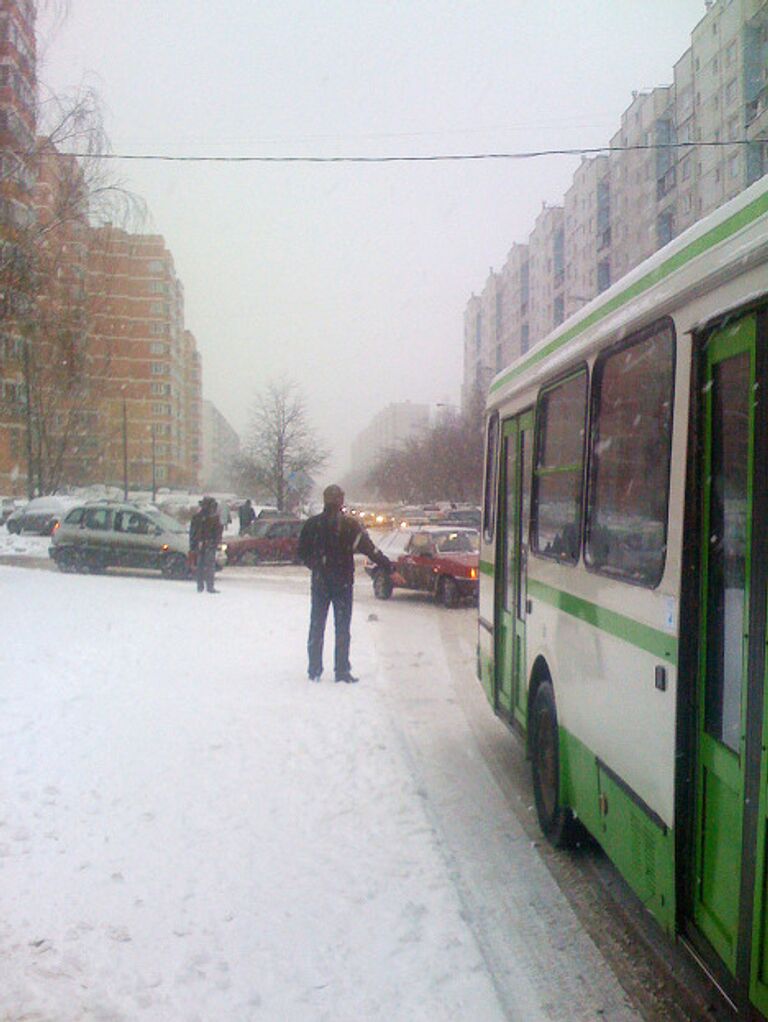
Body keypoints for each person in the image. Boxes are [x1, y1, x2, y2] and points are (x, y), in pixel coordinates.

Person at [298, 484, 392, 683]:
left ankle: (314, 669)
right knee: (342, 627)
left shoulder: (312, 525)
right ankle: (341, 670)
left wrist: (316, 566)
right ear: (341, 500)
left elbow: (302, 552)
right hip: (342, 584)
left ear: (325, 500)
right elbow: (369, 550)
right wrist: (388, 567)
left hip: (320, 582)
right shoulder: (350, 526)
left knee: (317, 625)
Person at [189, 496, 223, 594]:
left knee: (201, 565)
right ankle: (208, 586)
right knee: (208, 565)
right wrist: (215, 542)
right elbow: (217, 532)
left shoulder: (198, 517)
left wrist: (193, 544)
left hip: (204, 544)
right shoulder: (212, 518)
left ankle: (201, 586)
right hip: (208, 544)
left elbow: (193, 532)